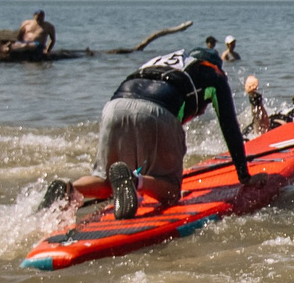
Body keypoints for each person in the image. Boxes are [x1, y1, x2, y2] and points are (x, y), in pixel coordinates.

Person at [73, 45, 250, 220]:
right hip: (157, 110)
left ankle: (70, 189)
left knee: (106, 182)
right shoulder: (212, 73)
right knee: (172, 192)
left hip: (114, 107)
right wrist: (244, 176)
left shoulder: (162, 61)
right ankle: (135, 181)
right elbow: (229, 125)